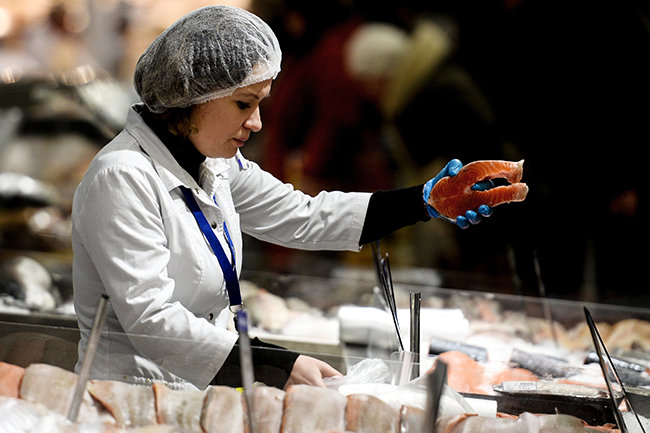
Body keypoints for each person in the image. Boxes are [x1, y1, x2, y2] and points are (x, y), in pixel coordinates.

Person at [72, 5, 493, 392]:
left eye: (260, 104)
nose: (256, 123)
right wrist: (276, 363)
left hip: (194, 392)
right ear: (191, 96)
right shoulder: (122, 177)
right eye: (244, 104)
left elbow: (303, 216)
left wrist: (423, 202)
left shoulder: (214, 162)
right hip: (127, 395)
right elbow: (151, 319)